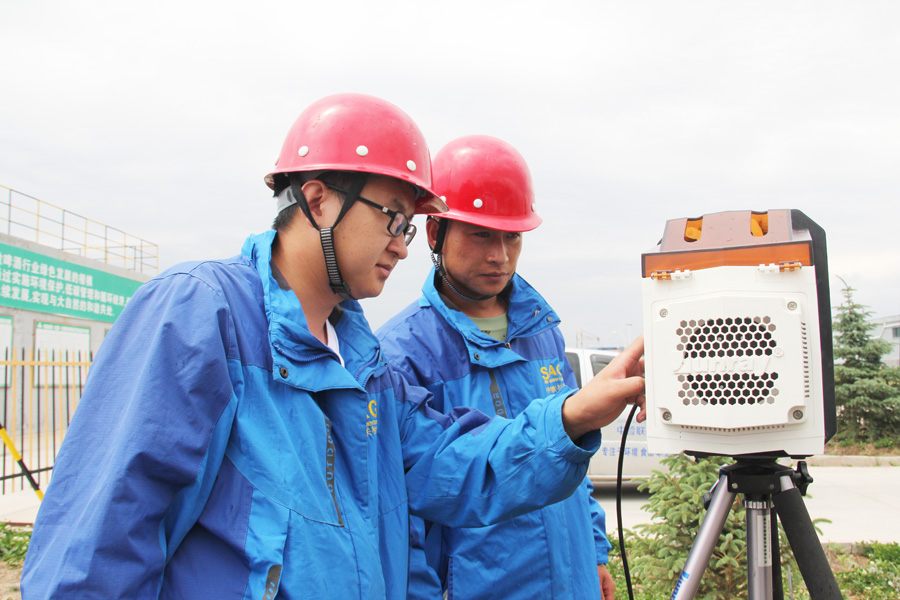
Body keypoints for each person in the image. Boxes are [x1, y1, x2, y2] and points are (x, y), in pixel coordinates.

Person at [20, 94, 645, 599]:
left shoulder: (367, 366)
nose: (403, 243)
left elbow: (453, 467)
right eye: (393, 216)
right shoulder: (202, 314)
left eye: (408, 224)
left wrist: (572, 415)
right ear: (318, 199)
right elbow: (99, 540)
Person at [377, 135, 617, 600]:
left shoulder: (542, 330)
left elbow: (568, 457)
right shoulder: (402, 353)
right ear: (434, 233)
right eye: (481, 233)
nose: (499, 255)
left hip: (573, 582)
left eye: (512, 236)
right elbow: (402, 516)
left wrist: (594, 550)